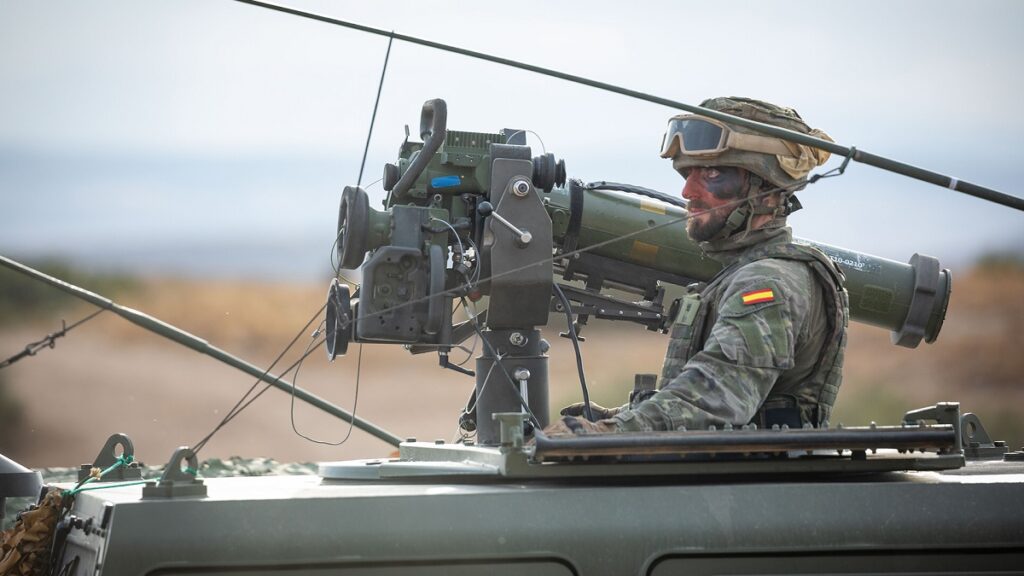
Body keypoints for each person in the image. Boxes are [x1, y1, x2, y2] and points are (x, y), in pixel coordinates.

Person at [546, 97, 849, 435]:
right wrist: (624, 414)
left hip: (754, 483)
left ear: (766, 190)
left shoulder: (767, 284)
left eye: (712, 174)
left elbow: (716, 396)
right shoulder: (739, 273)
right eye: (688, 173)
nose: (687, 191)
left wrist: (614, 431)